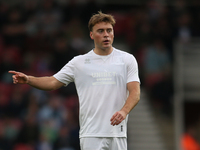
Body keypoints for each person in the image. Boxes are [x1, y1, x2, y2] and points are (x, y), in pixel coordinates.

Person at [9, 11, 140, 150]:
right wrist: (29, 79)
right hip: (90, 134)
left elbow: (135, 93)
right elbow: (52, 82)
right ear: (91, 35)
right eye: (100, 31)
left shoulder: (127, 59)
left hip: (117, 134)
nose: (106, 34)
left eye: (109, 30)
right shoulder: (79, 62)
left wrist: (124, 111)